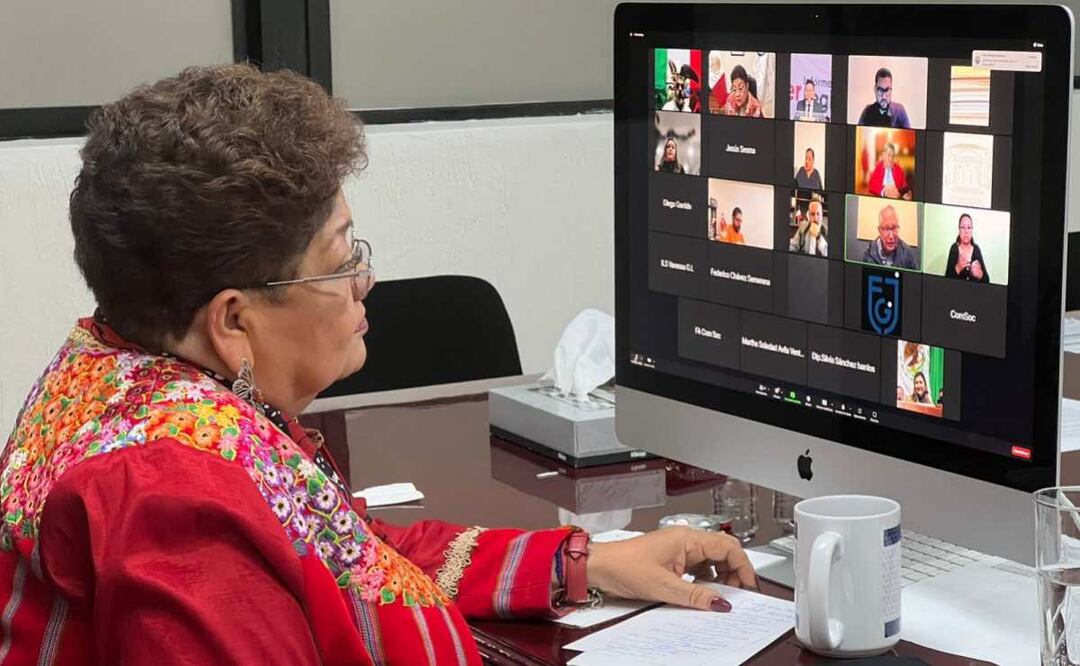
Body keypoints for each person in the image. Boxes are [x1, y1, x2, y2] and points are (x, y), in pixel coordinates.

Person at [0, 64, 757, 664]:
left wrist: (586, 563)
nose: (365, 280)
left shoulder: (115, 369)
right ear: (233, 320)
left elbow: (352, 558)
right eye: (339, 260)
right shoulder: (174, 497)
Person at [944, 213, 989, 282]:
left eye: (969, 227)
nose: (966, 231)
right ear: (959, 230)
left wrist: (981, 275)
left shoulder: (976, 249)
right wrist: (958, 268)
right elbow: (946, 280)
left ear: (972, 230)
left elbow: (987, 280)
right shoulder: (954, 248)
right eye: (962, 227)